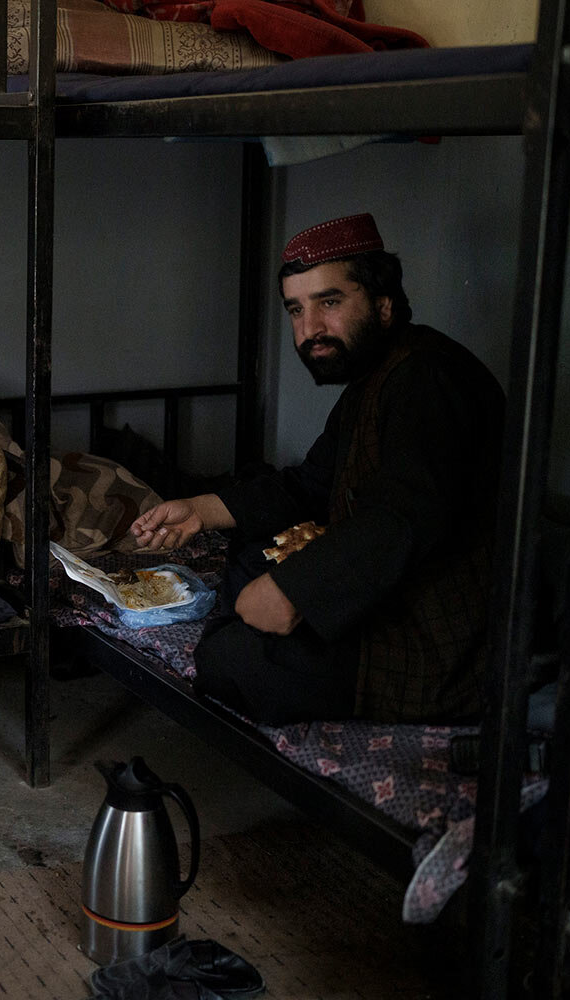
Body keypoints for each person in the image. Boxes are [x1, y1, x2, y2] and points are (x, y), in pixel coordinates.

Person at [130, 213, 505, 724]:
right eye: (295, 310)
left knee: (232, 657)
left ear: (383, 302)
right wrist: (199, 510)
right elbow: (309, 486)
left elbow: (401, 518)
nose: (309, 330)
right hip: (387, 600)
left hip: (436, 641)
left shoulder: (429, 379)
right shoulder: (376, 377)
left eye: (329, 302)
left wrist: (295, 591)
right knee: (243, 572)